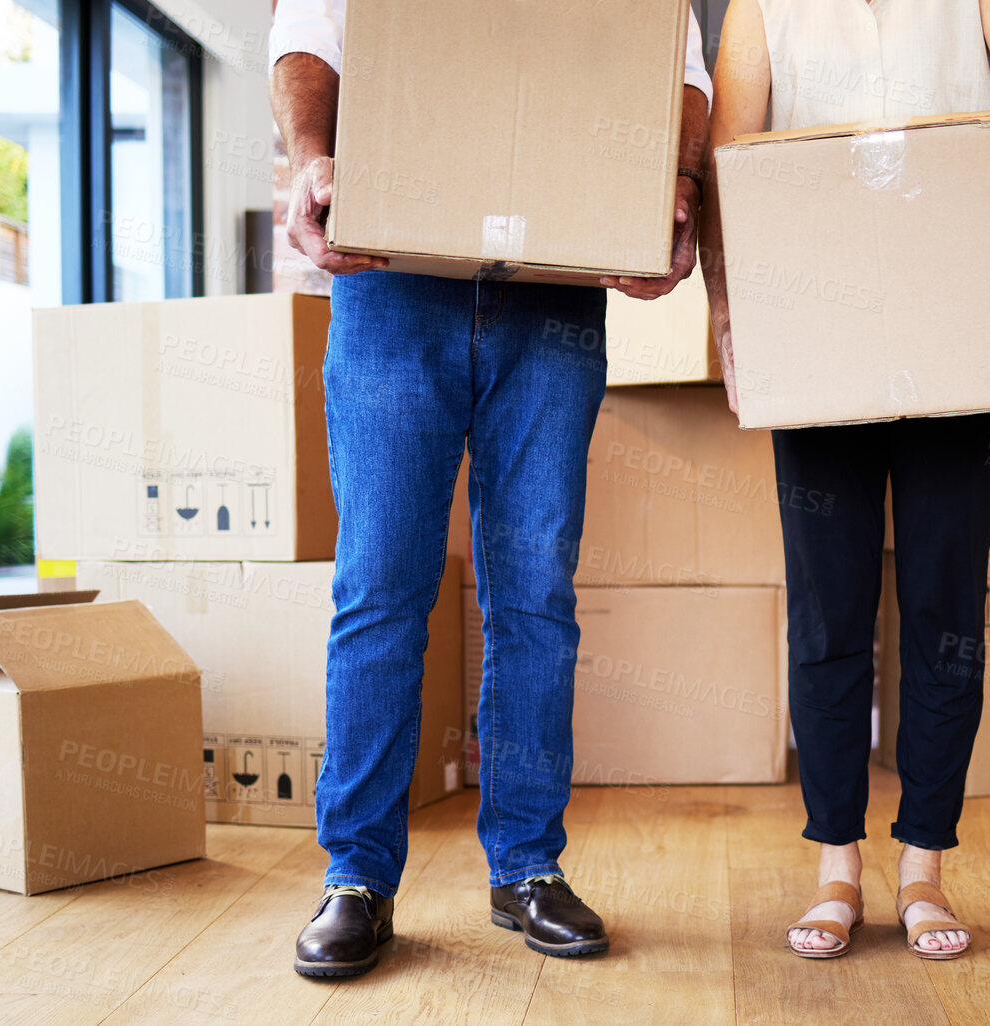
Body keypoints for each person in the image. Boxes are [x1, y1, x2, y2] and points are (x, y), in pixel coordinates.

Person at [267, 3, 712, 977]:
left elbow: (676, 66)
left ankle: (525, 866)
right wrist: (310, 155)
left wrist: (674, 187)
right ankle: (357, 877)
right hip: (394, 282)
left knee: (534, 594)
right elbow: (307, 34)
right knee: (380, 586)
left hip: (552, 290)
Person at [702, 0, 990, 960]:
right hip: (815, 324)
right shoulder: (762, 4)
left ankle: (923, 866)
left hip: (960, 313)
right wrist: (727, 304)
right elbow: (728, 151)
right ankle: (837, 864)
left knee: (943, 606)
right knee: (828, 610)